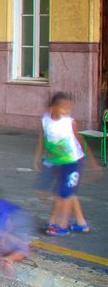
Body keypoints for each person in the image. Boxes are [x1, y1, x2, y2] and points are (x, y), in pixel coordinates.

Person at [34, 92, 99, 236]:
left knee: (63, 193)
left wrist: (93, 162)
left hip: (73, 162)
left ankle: (61, 225)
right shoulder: (45, 121)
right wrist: (37, 158)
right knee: (67, 192)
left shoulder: (70, 122)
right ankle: (82, 224)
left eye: (69, 108)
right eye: (64, 108)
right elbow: (42, 140)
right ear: (52, 107)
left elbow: (81, 142)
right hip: (57, 162)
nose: (67, 111)